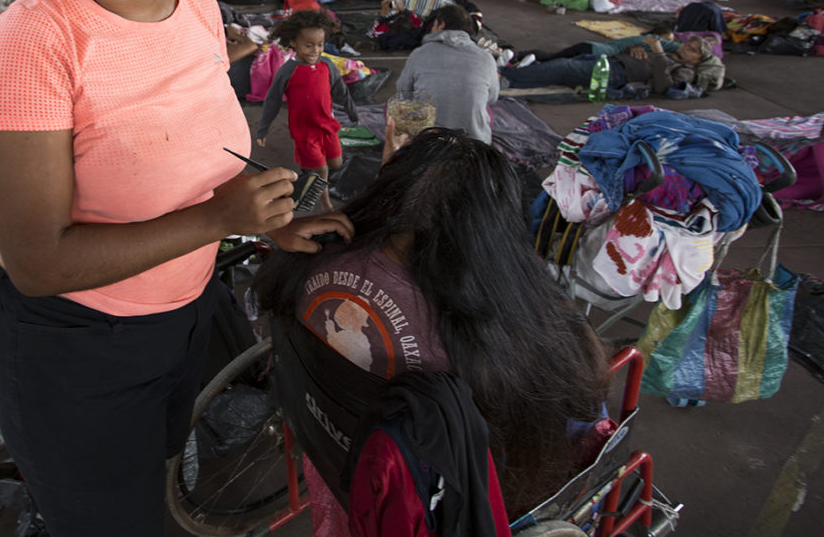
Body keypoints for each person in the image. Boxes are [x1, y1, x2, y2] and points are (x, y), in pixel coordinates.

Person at [0, 0, 349, 536]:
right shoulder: (30, 45)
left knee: (160, 485)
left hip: (182, 311)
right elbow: (39, 261)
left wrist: (268, 223)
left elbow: (198, 150)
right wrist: (216, 219)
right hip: (73, 346)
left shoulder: (194, 2)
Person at [251, 128, 609, 526]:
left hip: (332, 452)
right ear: (492, 231)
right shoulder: (485, 337)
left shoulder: (311, 254)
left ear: (386, 193)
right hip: (422, 493)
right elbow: (577, 403)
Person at [255, 10, 359, 207]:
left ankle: (309, 170)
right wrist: (263, 128)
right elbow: (272, 101)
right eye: (308, 45)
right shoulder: (287, 71)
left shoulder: (327, 64)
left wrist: (352, 112)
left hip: (328, 128)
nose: (315, 51)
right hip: (305, 133)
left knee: (335, 164)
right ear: (293, 42)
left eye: (320, 45)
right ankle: (326, 205)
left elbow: (341, 91)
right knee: (322, 171)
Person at [395, 5, 498, 144]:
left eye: (433, 24)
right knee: (486, 110)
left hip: (428, 143)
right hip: (475, 144)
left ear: (441, 24)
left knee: (394, 109)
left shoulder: (419, 54)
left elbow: (403, 91)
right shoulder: (486, 58)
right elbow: (492, 98)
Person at [502, 35, 724, 96]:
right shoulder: (671, 55)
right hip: (615, 62)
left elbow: (663, 86)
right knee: (565, 66)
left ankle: (506, 75)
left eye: (693, 50)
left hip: (618, 74)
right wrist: (633, 51)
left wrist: (656, 54)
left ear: (698, 61)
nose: (686, 48)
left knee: (563, 67)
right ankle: (516, 73)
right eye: (689, 44)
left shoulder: (686, 72)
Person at [518, 21, 682, 64]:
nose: (668, 42)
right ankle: (515, 57)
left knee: (550, 58)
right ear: (659, 35)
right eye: (667, 39)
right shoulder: (654, 41)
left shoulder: (641, 41)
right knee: (550, 61)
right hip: (593, 52)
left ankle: (515, 56)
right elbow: (675, 48)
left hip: (589, 46)